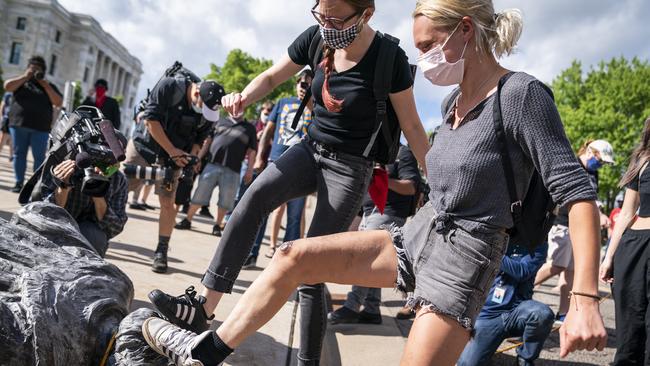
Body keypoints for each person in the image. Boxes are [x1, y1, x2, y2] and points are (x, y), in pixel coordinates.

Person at [142, 1, 608, 365]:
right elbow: (435, 169)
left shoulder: (522, 94)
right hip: (416, 236)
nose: (422, 58)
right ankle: (202, 353)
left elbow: (577, 193)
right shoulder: (451, 104)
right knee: (291, 258)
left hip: (462, 261)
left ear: (466, 29)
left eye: (429, 45)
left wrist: (585, 297)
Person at [147, 0, 430, 364]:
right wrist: (245, 96)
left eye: (335, 18)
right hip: (311, 149)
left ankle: (308, 360)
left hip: (351, 166)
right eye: (320, 14)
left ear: (366, 14)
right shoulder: (316, 38)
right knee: (253, 199)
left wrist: (438, 185)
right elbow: (271, 76)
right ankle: (204, 305)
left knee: (310, 266)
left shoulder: (389, 58)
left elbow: (413, 126)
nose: (326, 24)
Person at [124, 72, 224, 273]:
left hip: (174, 157)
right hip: (144, 148)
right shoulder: (169, 87)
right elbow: (150, 121)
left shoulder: (208, 112)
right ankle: (98, 230)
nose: (204, 113)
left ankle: (161, 251)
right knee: (118, 189)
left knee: (168, 204)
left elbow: (200, 138)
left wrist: (190, 157)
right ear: (196, 93)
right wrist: (172, 151)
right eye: (203, 106)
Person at [328, 144, 421, 325]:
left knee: (365, 258)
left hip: (389, 212)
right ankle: (372, 310)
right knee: (374, 263)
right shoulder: (372, 152)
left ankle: (352, 305)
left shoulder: (402, 153)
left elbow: (411, 187)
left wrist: (386, 180)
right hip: (369, 211)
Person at [534, 139, 614, 323]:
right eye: (600, 160)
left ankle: (563, 313)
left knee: (570, 271)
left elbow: (592, 200)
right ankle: (522, 291)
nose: (601, 165)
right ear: (591, 152)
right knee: (556, 265)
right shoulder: (573, 166)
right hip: (562, 222)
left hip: (576, 227)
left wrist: (599, 215)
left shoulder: (592, 174)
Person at [243, 69, 314, 267]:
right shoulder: (283, 103)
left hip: (303, 166)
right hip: (276, 161)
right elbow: (268, 131)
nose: (303, 87)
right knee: (262, 207)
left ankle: (286, 264)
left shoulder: (317, 107)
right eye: (301, 83)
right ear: (296, 84)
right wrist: (259, 158)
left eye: (308, 84)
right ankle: (251, 253)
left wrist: (311, 103)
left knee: (294, 216)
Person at [600, 117, 650, 365]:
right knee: (630, 334)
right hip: (634, 247)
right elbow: (626, 214)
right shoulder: (643, 161)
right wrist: (609, 257)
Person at [457, 243, 554, 366]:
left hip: (517, 311)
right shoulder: (497, 236)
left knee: (542, 314)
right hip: (488, 316)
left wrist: (494, 253)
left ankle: (524, 359)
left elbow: (522, 272)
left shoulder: (538, 244)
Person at [40, 137, 129, 257]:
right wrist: (63, 186)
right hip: (58, 225)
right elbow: (44, 214)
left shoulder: (118, 179)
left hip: (90, 233)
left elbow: (115, 227)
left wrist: (97, 192)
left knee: (94, 237)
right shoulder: (64, 165)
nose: (103, 159)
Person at [175, 114, 257, 236]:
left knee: (226, 200)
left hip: (233, 169)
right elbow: (207, 142)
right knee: (200, 193)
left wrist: (250, 170)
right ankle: (187, 220)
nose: (237, 109)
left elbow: (252, 151)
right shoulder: (219, 121)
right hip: (212, 165)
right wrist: (198, 159)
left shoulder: (249, 128)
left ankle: (217, 226)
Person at [3, 56, 63, 193]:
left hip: (40, 128)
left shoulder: (48, 85)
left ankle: (36, 186)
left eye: (38, 68)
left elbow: (58, 102)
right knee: (19, 154)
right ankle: (19, 183)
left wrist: (45, 84)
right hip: (19, 125)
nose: (35, 70)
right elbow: (7, 86)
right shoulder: (21, 82)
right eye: (32, 67)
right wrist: (25, 76)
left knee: (39, 157)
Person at [0, 92, 13, 161]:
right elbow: (2, 105)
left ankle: (11, 156)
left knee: (12, 139)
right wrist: (2, 117)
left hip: (17, 120)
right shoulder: (9, 94)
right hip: (7, 118)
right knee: (3, 138)